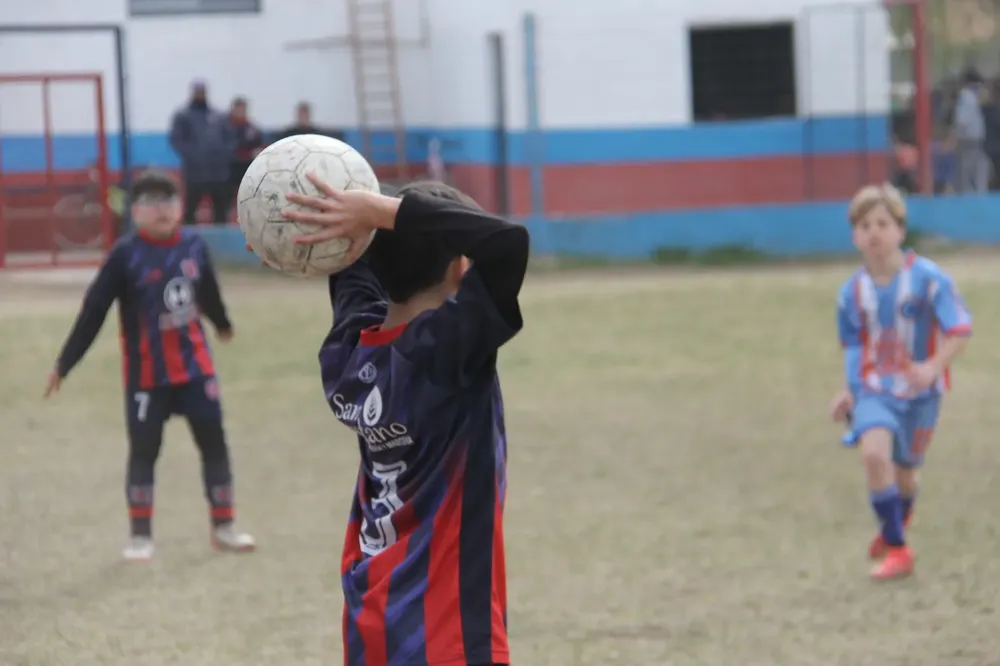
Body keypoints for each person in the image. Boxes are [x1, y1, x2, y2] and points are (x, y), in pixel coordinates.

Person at [282, 176, 529, 665]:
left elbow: (352, 268)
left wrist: (311, 235)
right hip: (447, 634)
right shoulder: (447, 350)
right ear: (461, 267)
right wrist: (378, 214)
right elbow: (506, 243)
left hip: (372, 624)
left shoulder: (349, 353)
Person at [45, 169, 255, 562]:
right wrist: (64, 363)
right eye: (151, 203)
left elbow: (207, 290)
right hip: (147, 377)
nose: (162, 209)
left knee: (214, 443)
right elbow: (94, 311)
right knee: (144, 450)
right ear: (135, 212)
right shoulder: (124, 256)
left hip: (196, 370)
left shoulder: (193, 244)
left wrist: (223, 324)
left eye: (169, 200)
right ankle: (140, 536)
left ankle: (224, 526)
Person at [829, 183, 971, 581]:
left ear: (900, 231)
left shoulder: (928, 279)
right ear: (855, 235)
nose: (874, 232)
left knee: (906, 473)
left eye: (882, 223)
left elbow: (959, 329)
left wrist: (932, 365)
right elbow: (855, 347)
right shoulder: (851, 293)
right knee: (875, 455)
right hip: (875, 389)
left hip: (922, 393)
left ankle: (896, 520)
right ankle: (897, 548)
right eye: (864, 225)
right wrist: (849, 390)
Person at [169, 79, 236, 225]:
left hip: (218, 174)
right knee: (190, 211)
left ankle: (221, 243)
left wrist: (222, 156)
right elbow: (177, 140)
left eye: (202, 91)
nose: (200, 94)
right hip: (195, 173)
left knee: (221, 212)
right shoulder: (183, 116)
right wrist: (194, 157)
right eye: (197, 91)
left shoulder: (218, 116)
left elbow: (230, 139)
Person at [227, 96, 264, 209]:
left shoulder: (252, 129)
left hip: (247, 167)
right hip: (229, 168)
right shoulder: (225, 127)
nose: (240, 112)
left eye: (243, 109)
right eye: (238, 109)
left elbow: (259, 145)